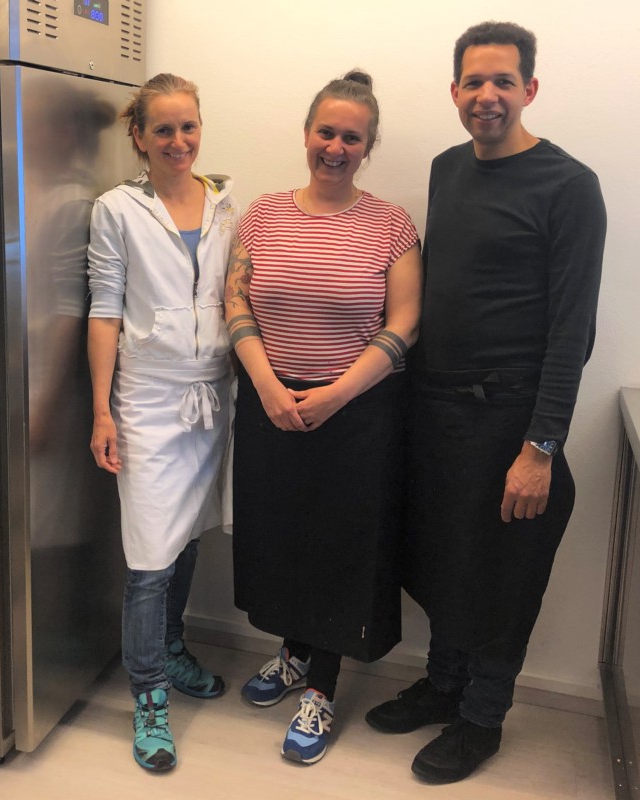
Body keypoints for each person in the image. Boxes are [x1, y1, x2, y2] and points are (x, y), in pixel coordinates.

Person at [364, 21, 607, 784]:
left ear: (529, 88)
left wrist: (540, 447)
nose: (487, 96)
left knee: (503, 576)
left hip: (511, 418)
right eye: (473, 82)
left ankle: (481, 716)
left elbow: (571, 332)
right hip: (436, 410)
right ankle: (442, 685)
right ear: (454, 91)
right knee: (443, 562)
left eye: (503, 81)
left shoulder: (568, 187)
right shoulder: (446, 169)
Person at [226, 70, 422, 765]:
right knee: (282, 537)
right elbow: (235, 301)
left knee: (340, 548)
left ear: (368, 147)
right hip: (269, 403)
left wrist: (336, 394)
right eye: (326, 132)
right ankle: (293, 654)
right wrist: (266, 384)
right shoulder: (262, 214)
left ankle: (322, 687)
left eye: (352, 138)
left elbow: (405, 321)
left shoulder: (392, 225)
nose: (335, 147)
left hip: (358, 413)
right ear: (306, 134)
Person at [87, 72, 238, 773]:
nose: (179, 140)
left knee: (187, 537)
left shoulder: (225, 204)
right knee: (149, 557)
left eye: (188, 126)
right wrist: (102, 410)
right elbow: (105, 311)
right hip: (148, 400)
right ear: (139, 137)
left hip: (212, 395)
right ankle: (148, 697)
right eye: (163, 129)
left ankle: (171, 649)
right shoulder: (117, 209)